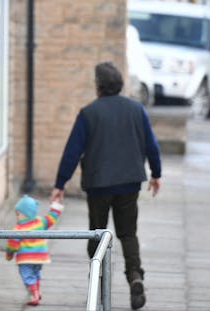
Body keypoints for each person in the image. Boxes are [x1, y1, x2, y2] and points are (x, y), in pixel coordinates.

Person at [50, 61, 161, 310]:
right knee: (128, 233)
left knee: (97, 232)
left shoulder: (89, 113)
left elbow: (72, 152)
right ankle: (134, 276)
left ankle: (98, 282)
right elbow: (151, 145)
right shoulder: (136, 110)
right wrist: (156, 173)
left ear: (98, 86)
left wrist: (60, 183)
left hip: (98, 184)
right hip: (129, 182)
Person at [5, 195, 64, 306]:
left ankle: (34, 295)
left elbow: (12, 244)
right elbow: (52, 218)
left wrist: (9, 255)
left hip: (25, 258)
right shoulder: (40, 222)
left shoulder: (18, 228)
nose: (16, 217)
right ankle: (37, 291)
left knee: (27, 276)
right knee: (35, 273)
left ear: (25, 213)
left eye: (17, 214)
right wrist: (56, 205)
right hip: (40, 257)